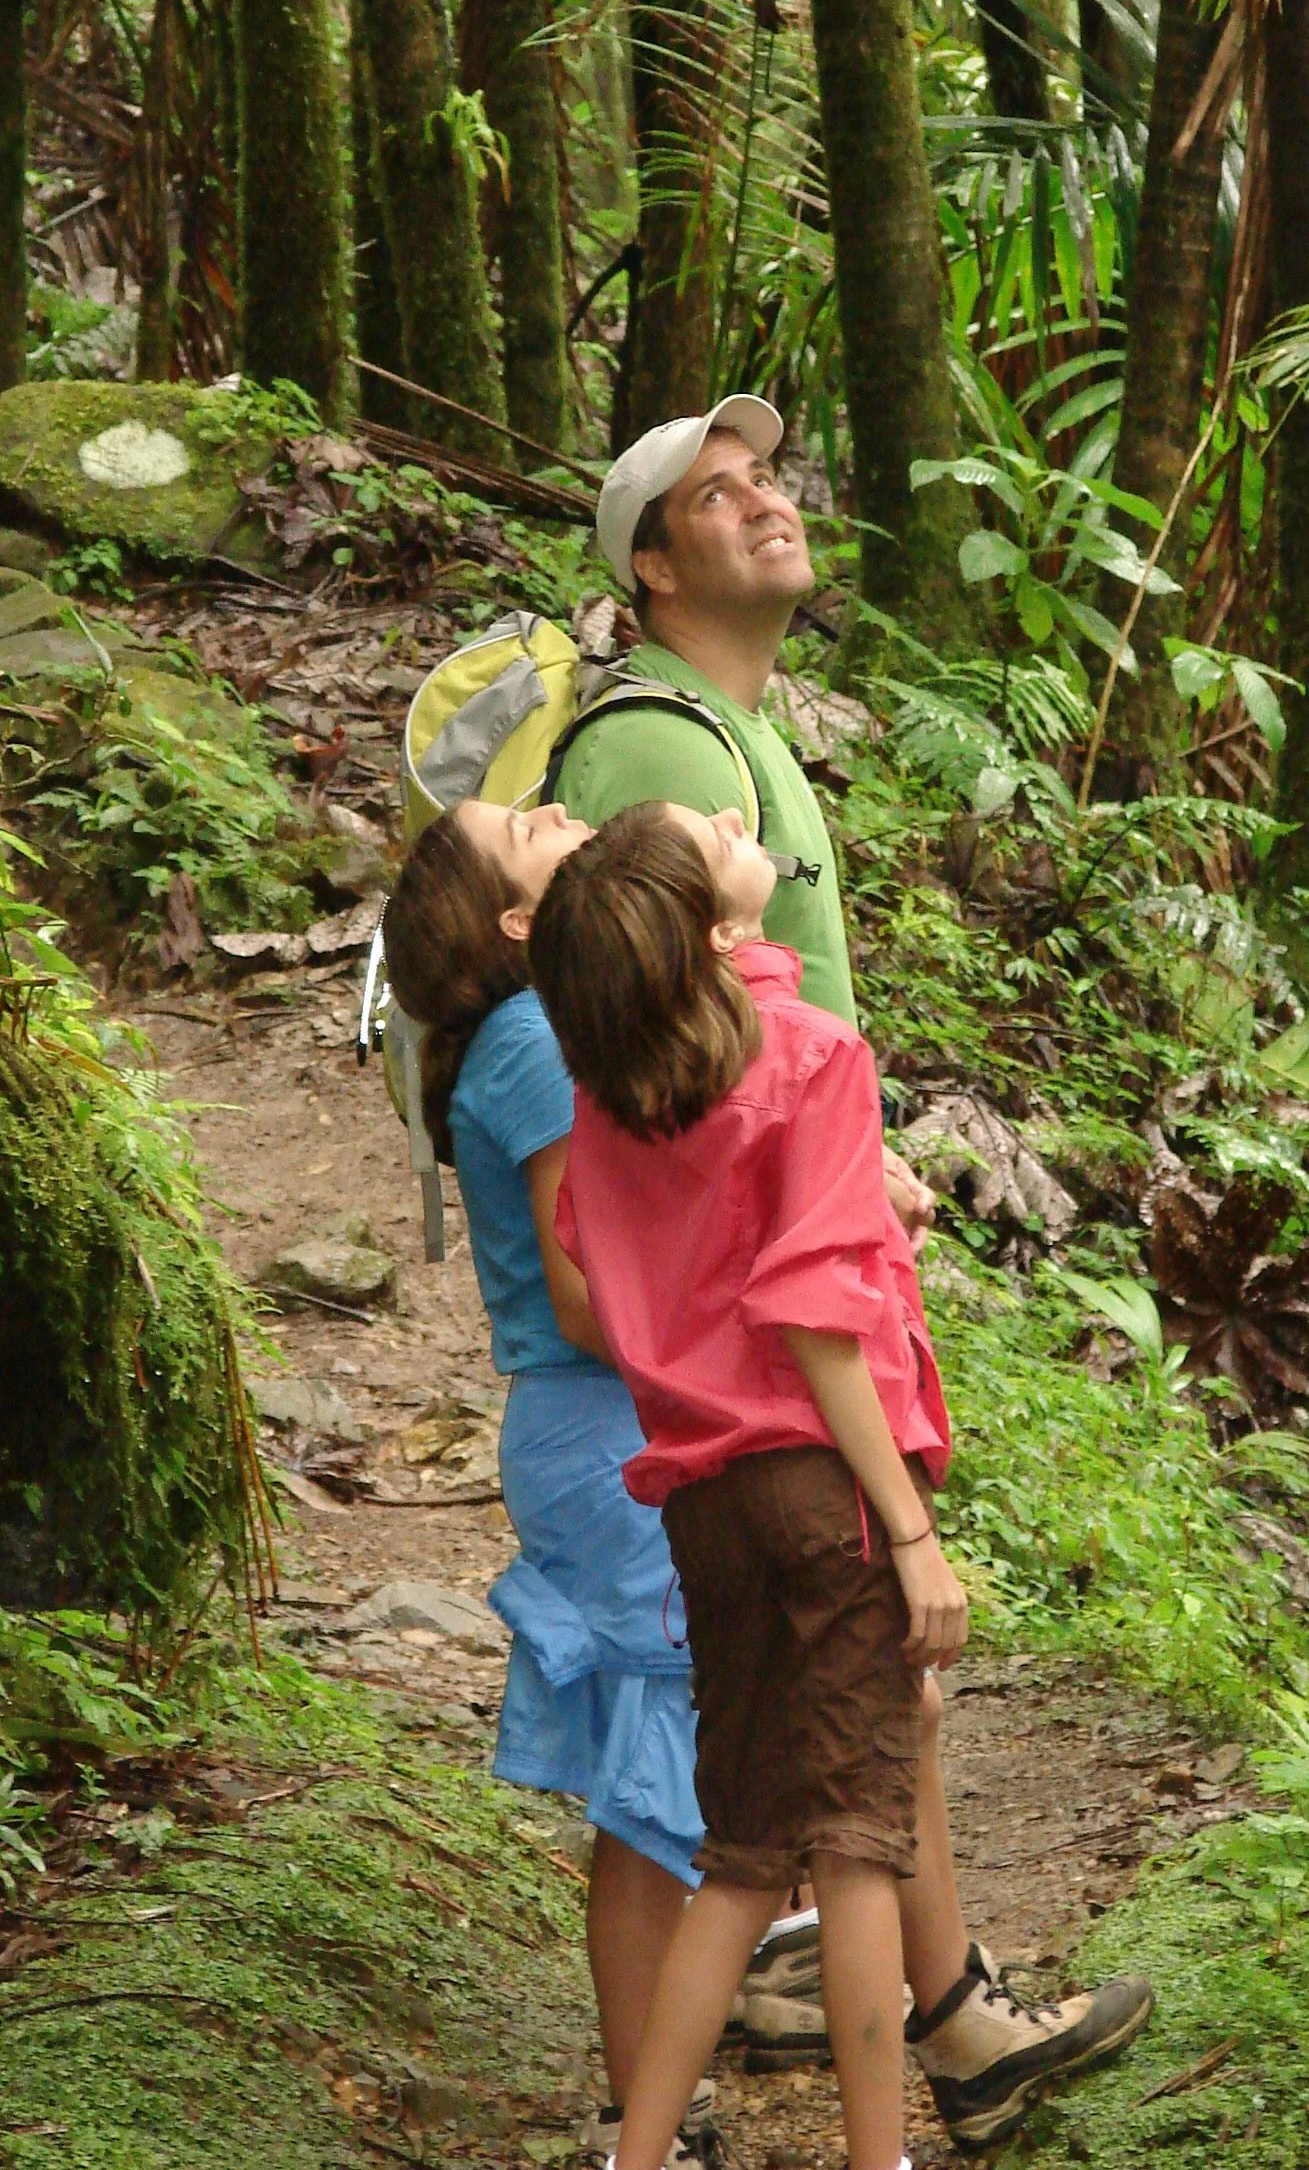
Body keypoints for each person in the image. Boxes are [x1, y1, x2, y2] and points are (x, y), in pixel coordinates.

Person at [551, 399, 1155, 2146]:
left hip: (715, 1431)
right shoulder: (654, 765)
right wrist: (902, 1503)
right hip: (789, 1411)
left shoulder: (742, 740)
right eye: (712, 496)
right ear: (650, 566)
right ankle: (917, 2079)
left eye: (770, 477)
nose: (766, 504)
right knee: (857, 1773)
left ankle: (937, 2021)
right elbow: (689, 1061)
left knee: (811, 1785)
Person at [381, 797, 717, 2168]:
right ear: (516, 923)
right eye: (530, 824)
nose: (564, 807)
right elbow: (587, 1293)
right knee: (647, 1794)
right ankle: (645, 2119)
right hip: (603, 1427)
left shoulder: (545, 1028)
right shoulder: (530, 1042)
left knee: (668, 1773)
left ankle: (657, 2105)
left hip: (614, 1418)